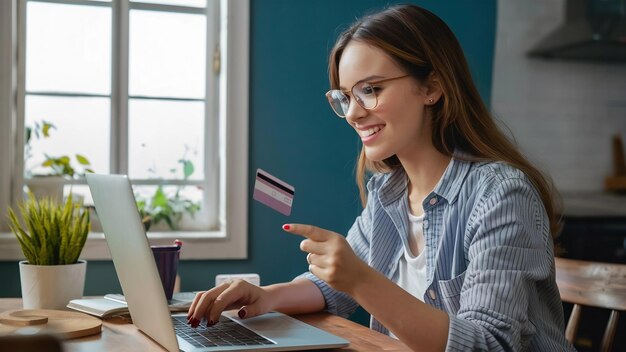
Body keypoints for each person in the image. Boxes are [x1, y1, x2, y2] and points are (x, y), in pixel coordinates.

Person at [187, 4, 575, 351]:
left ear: (432, 87)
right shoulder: (389, 194)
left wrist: (360, 280)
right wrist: (265, 296)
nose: (354, 113)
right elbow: (331, 288)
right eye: (345, 97)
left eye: (369, 90)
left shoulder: (501, 195)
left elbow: (489, 344)